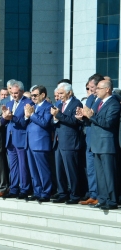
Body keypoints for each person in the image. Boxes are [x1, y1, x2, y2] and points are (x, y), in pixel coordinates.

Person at [77, 79, 121, 210]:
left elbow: (108, 123)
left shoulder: (114, 104)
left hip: (107, 143)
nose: (96, 90)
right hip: (96, 143)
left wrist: (91, 116)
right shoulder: (98, 102)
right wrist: (83, 117)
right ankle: (102, 199)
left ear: (107, 89)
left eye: (99, 88)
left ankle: (112, 200)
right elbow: (93, 120)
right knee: (100, 175)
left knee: (109, 174)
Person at [51, 83, 83, 204]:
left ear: (69, 93)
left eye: (61, 93)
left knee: (71, 170)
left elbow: (74, 121)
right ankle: (62, 193)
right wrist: (54, 118)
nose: (59, 96)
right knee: (59, 170)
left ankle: (75, 195)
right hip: (58, 141)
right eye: (58, 93)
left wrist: (58, 115)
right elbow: (53, 120)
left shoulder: (76, 103)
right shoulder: (59, 104)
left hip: (70, 141)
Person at [2, 81, 33, 199]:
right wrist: (5, 117)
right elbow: (4, 122)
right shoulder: (9, 103)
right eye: (12, 93)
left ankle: (24, 189)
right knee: (13, 166)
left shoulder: (28, 103)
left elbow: (25, 122)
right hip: (10, 138)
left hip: (20, 138)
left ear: (21, 91)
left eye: (16, 93)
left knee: (22, 165)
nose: (14, 95)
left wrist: (12, 117)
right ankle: (14, 188)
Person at [24, 85, 54, 202]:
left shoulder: (48, 106)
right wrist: (27, 116)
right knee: (33, 169)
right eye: (32, 95)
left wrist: (32, 115)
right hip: (30, 142)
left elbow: (45, 122)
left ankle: (46, 192)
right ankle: (37, 191)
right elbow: (28, 123)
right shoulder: (32, 106)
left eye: (35, 95)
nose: (33, 98)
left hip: (40, 142)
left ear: (43, 95)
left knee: (43, 169)